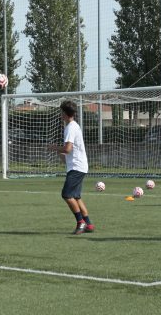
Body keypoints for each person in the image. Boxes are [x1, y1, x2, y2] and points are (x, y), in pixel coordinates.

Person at [48, 100, 94, 234]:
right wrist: (58, 152)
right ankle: (89, 224)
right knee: (76, 197)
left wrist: (53, 147)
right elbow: (68, 152)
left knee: (67, 194)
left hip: (77, 167)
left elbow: (67, 149)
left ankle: (81, 223)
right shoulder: (73, 126)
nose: (60, 114)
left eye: (61, 111)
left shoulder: (70, 127)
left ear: (65, 113)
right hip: (78, 166)